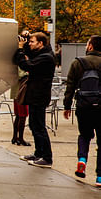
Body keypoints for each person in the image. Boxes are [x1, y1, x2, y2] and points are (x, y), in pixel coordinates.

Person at [13, 32, 56, 168]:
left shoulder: (46, 57)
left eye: (32, 42)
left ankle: (47, 157)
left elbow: (26, 65)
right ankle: (38, 154)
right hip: (35, 95)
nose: (30, 44)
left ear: (40, 43)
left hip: (39, 96)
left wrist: (20, 49)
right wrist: (25, 41)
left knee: (39, 126)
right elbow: (28, 55)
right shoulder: (42, 54)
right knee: (33, 125)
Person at [63, 35, 101, 187]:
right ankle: (99, 177)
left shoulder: (78, 63)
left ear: (91, 46)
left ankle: (82, 160)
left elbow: (70, 86)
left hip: (83, 106)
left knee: (84, 135)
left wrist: (67, 106)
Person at [11, 30, 31, 147]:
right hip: (22, 86)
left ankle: (15, 137)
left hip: (16, 87)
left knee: (18, 115)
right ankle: (20, 138)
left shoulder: (15, 56)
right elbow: (22, 72)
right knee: (22, 115)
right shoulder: (21, 56)